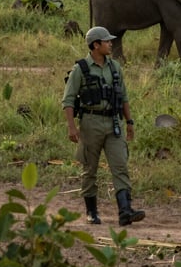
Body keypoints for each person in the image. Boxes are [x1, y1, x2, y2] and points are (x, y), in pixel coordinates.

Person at [62, 26, 145, 227]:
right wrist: (72, 127)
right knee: (90, 169)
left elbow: (123, 96)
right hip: (91, 123)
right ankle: (91, 211)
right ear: (95, 45)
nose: (111, 44)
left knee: (120, 166)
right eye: (106, 41)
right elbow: (68, 100)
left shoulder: (115, 67)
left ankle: (125, 211)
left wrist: (130, 122)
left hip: (113, 123)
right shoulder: (80, 69)